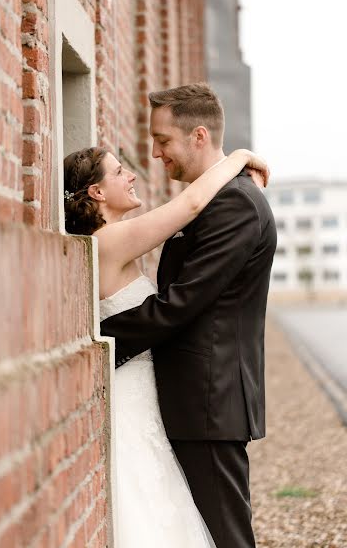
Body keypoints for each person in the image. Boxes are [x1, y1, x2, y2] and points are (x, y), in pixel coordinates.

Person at [64, 85, 272, 548]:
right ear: (96, 191)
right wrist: (237, 157)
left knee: (226, 535)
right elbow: (189, 209)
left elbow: (181, 303)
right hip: (175, 399)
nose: (153, 156)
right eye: (123, 169)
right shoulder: (194, 207)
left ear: (198, 136)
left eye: (162, 141)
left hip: (208, 400)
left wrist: (95, 337)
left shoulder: (234, 202)